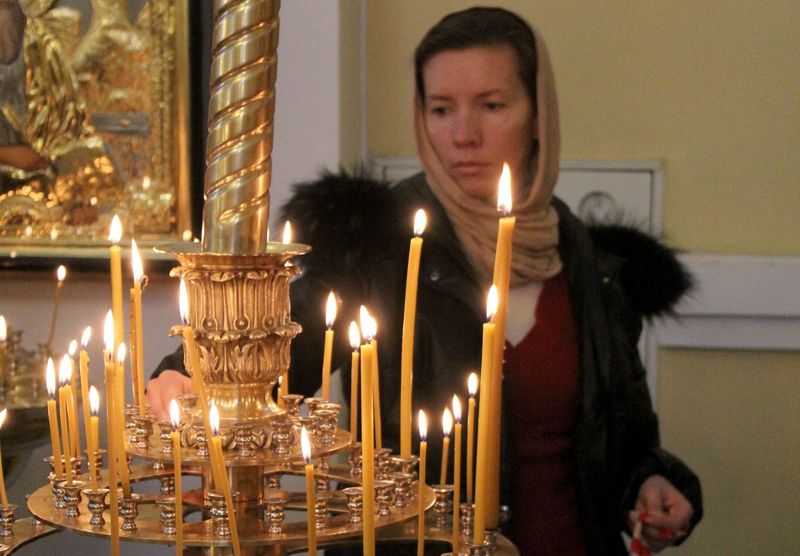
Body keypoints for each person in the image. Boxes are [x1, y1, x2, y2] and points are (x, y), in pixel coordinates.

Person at [148, 7, 702, 554]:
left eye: (491, 105)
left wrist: (651, 482)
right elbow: (279, 344)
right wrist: (186, 373)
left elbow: (621, 440)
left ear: (539, 114)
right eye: (441, 109)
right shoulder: (377, 243)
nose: (463, 135)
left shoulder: (592, 265)